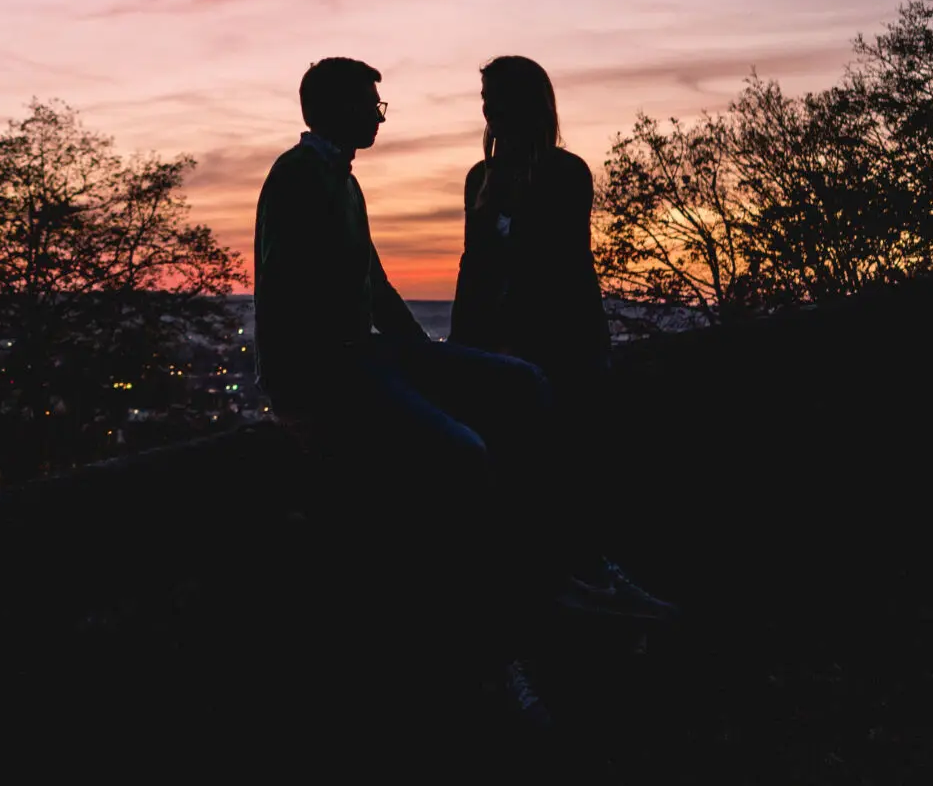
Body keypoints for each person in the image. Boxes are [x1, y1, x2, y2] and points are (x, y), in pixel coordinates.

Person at [253, 57, 666, 729]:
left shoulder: (340, 182)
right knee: (464, 450)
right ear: (335, 108)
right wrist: (302, 391)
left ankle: (567, 564)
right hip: (339, 371)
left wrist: (427, 352)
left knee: (526, 386)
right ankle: (499, 653)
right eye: (370, 103)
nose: (379, 114)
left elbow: (375, 286)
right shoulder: (299, 176)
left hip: (371, 355)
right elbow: (292, 293)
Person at [451, 53, 674, 617]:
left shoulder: (565, 173)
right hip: (499, 354)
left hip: (561, 346)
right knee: (522, 474)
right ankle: (558, 583)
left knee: (571, 469)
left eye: (497, 98)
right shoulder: (480, 179)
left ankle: (591, 578)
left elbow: (558, 267)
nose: (489, 110)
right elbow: (472, 270)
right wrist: (463, 351)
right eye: (484, 100)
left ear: (526, 104)